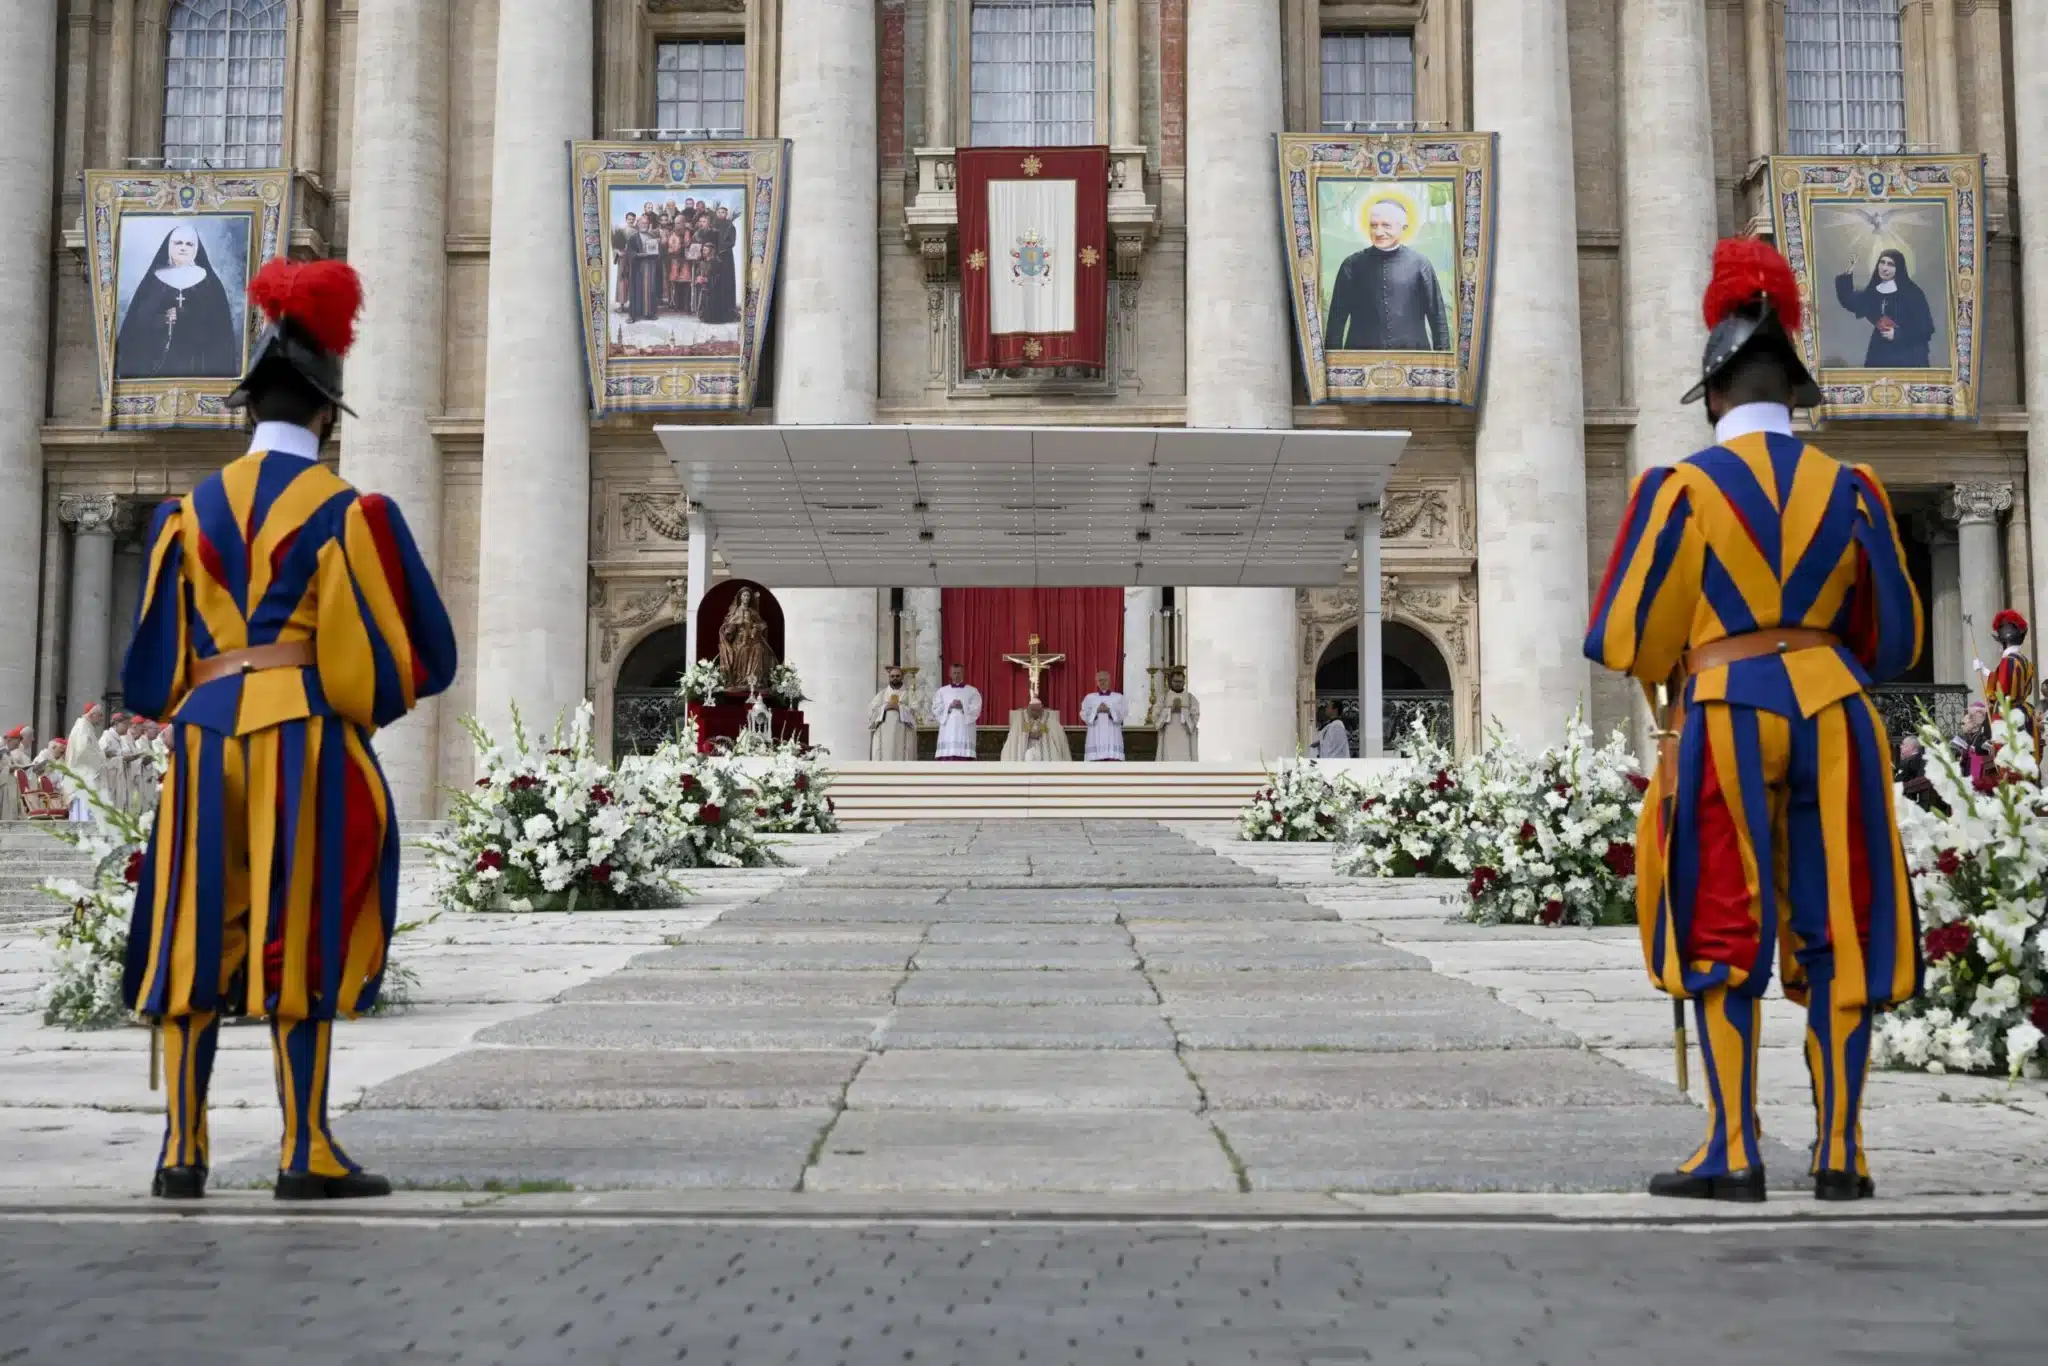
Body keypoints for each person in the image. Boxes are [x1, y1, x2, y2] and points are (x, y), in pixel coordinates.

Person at [1586, 237, 1922, 1203]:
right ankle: (1843, 1152)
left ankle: (1734, 1146)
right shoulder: (1853, 489)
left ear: (1717, 396)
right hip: (1836, 709)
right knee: (1841, 924)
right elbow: (1893, 638)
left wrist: (1687, 653)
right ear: (1795, 390)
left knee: (1723, 920)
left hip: (1727, 708)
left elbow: (1622, 635)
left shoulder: (1681, 490)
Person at [121, 256, 457, 1202]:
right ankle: (302, 1148)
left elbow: (151, 668)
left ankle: (181, 1151)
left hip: (200, 736)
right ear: (324, 417)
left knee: (194, 929)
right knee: (297, 933)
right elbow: (415, 658)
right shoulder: (349, 512)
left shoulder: (186, 516)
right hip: (299, 734)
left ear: (245, 410)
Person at [116, 222, 244, 380]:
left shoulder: (209, 281)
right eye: (178, 243)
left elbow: (218, 326)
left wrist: (185, 315)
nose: (183, 248)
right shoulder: (154, 280)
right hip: (159, 363)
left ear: (196, 248)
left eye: (189, 244)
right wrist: (162, 319)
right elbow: (138, 322)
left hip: (197, 360)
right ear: (169, 246)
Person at [1323, 198, 1451, 353]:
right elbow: (1336, 321)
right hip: (1361, 361)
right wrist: (1334, 365)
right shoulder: (1351, 265)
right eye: (1373, 225)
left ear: (1403, 227)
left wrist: (1443, 365)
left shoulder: (1420, 264)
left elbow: (1438, 318)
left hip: (1413, 359)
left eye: (1386, 225)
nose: (1378, 232)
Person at [1833, 249, 1936, 369]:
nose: (1884, 268)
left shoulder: (1913, 293)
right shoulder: (1875, 290)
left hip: (1908, 354)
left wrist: (1897, 334)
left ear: (1899, 268)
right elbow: (1851, 301)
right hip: (1880, 351)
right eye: (1882, 262)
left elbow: (1926, 328)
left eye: (1890, 264)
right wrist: (1849, 271)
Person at [1983, 609, 2035, 741]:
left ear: (2004, 641)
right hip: (2022, 712)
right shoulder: (2024, 661)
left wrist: (1990, 693)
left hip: (2007, 715)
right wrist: (1985, 670)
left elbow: (2000, 691)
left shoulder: (2008, 661)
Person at [715, 587, 777, 692]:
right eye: (744, 595)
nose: (746, 598)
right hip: (739, 640)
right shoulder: (736, 611)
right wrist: (729, 631)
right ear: (740, 597)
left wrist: (756, 628)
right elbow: (730, 626)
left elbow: (762, 624)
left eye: (748, 596)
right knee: (743, 650)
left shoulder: (752, 612)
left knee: (759, 649)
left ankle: (755, 681)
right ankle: (741, 680)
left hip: (753, 639)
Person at [700, 204, 741, 326]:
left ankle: (726, 312)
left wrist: (720, 249)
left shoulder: (730, 226)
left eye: (723, 212)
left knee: (725, 283)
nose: (720, 214)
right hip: (714, 257)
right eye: (719, 212)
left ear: (726, 215)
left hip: (725, 259)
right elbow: (709, 240)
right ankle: (712, 312)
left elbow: (731, 243)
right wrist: (711, 250)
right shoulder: (714, 226)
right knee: (714, 283)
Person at [868, 666, 920, 761]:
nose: (894, 678)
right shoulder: (882, 694)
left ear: (902, 677)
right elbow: (872, 711)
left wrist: (900, 708)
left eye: (897, 676)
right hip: (884, 734)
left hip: (903, 732)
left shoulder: (909, 694)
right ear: (889, 677)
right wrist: (884, 708)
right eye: (892, 676)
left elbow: (916, 711)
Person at [64, 703, 106, 821]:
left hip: (86, 775)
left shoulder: (86, 727)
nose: (102, 719)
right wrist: (102, 756)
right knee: (83, 816)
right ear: (92, 715)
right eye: (100, 715)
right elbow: (83, 751)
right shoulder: (82, 727)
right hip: (84, 776)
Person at [933, 664, 982, 761]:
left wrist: (963, 707)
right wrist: (949, 707)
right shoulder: (942, 691)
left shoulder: (972, 691)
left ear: (963, 673)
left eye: (959, 673)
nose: (956, 675)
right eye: (954, 673)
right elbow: (936, 708)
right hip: (948, 728)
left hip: (965, 727)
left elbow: (976, 708)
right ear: (950, 674)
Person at [1000, 698, 1070, 762]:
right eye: (1033, 710)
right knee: (1028, 755)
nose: (1035, 713)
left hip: (1044, 747)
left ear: (1041, 709)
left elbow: (1056, 733)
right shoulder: (1021, 718)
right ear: (1028, 708)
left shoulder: (1049, 718)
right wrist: (1027, 734)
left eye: (1037, 710)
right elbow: (1016, 735)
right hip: (1027, 747)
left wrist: (1043, 732)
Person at [1078, 670, 1127, 762]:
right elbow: (1084, 714)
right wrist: (1096, 711)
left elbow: (1123, 713)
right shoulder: (1090, 698)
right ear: (1096, 682)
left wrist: (1109, 711)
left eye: (1105, 680)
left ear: (1109, 681)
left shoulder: (1118, 697)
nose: (1102, 682)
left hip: (1112, 735)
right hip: (1095, 735)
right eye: (1100, 680)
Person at [1155, 666, 1200, 761]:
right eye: (1175, 681)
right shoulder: (1164, 697)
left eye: (1180, 682)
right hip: (1168, 737)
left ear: (1184, 682)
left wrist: (1183, 711)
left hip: (1185, 739)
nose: (1178, 684)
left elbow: (1194, 721)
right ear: (1171, 681)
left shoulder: (1191, 698)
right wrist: (1170, 710)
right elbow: (1156, 722)